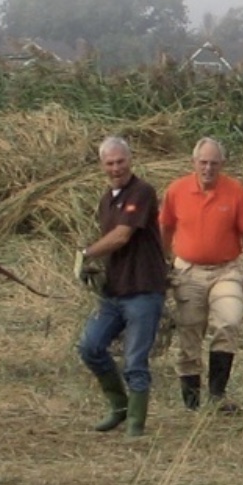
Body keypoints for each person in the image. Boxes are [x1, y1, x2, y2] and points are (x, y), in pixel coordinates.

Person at [159, 137, 243, 414]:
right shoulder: (176, 191)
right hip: (188, 270)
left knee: (229, 321)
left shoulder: (235, 191)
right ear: (193, 163)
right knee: (189, 331)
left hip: (226, 270)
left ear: (222, 164)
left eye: (214, 164)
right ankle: (191, 405)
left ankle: (218, 395)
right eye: (203, 163)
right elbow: (165, 230)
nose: (208, 169)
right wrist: (161, 267)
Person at [76, 137, 168, 438]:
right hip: (114, 291)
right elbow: (112, 245)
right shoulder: (107, 200)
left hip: (144, 289)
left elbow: (120, 236)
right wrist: (94, 269)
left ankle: (135, 424)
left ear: (130, 160)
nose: (116, 168)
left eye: (120, 161)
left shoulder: (141, 192)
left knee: (135, 361)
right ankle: (119, 406)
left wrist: (87, 253)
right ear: (102, 165)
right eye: (110, 163)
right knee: (91, 346)